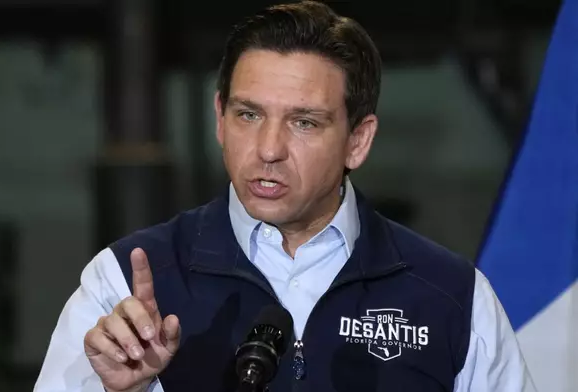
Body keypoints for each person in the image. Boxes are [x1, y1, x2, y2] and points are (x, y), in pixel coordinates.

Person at [34, 1, 536, 391]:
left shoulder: (452, 297)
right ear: (219, 118)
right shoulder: (122, 282)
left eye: (303, 123)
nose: (268, 149)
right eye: (248, 115)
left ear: (358, 140)